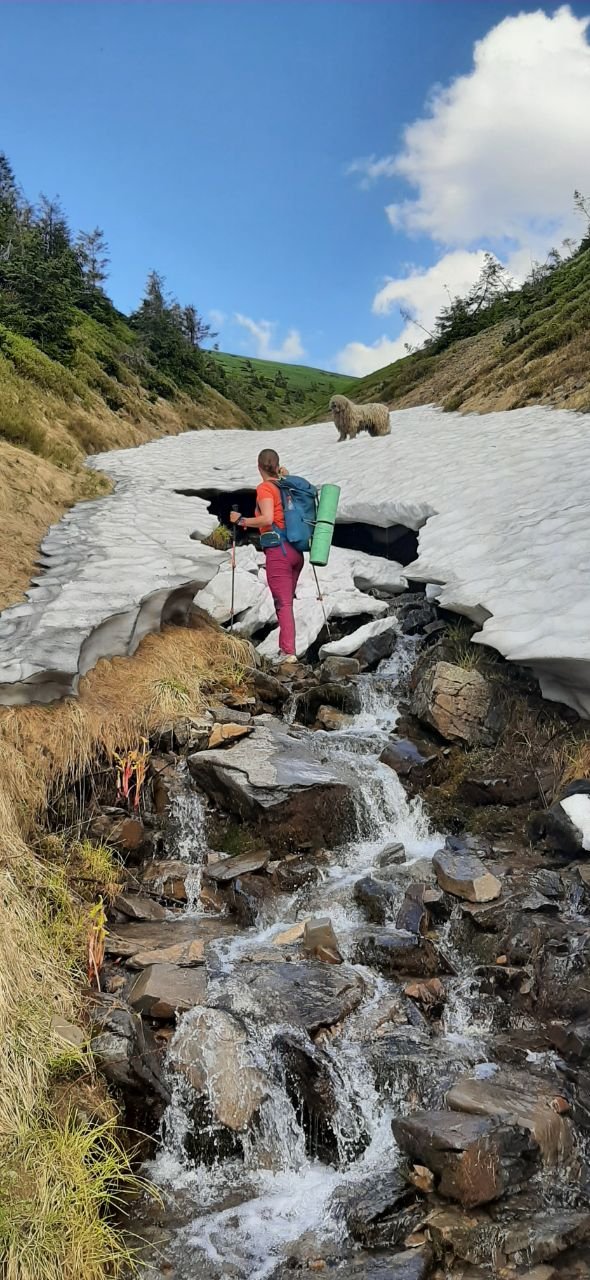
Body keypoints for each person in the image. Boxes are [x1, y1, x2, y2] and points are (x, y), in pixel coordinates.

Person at [230, 448, 303, 664]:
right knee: (286, 601)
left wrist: (241, 520)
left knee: (283, 604)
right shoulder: (285, 484)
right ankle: (287, 649)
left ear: (258, 466)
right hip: (296, 552)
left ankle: (287, 652)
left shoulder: (264, 489)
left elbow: (267, 518)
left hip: (278, 552)